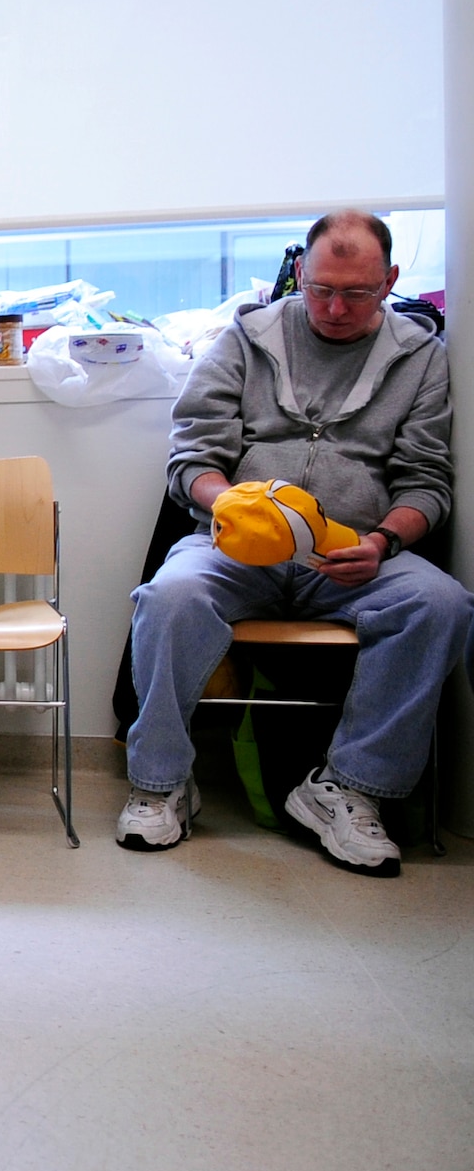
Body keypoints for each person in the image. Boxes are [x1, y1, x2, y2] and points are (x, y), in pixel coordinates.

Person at [118, 210, 473, 876]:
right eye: (320, 288)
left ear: (391, 280)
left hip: (352, 552)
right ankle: (161, 782)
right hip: (237, 547)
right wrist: (229, 501)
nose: (335, 307)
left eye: (358, 292)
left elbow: (427, 482)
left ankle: (349, 788)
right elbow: (190, 456)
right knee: (168, 596)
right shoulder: (245, 337)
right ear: (300, 275)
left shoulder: (421, 357)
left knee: (442, 605)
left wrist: (382, 542)